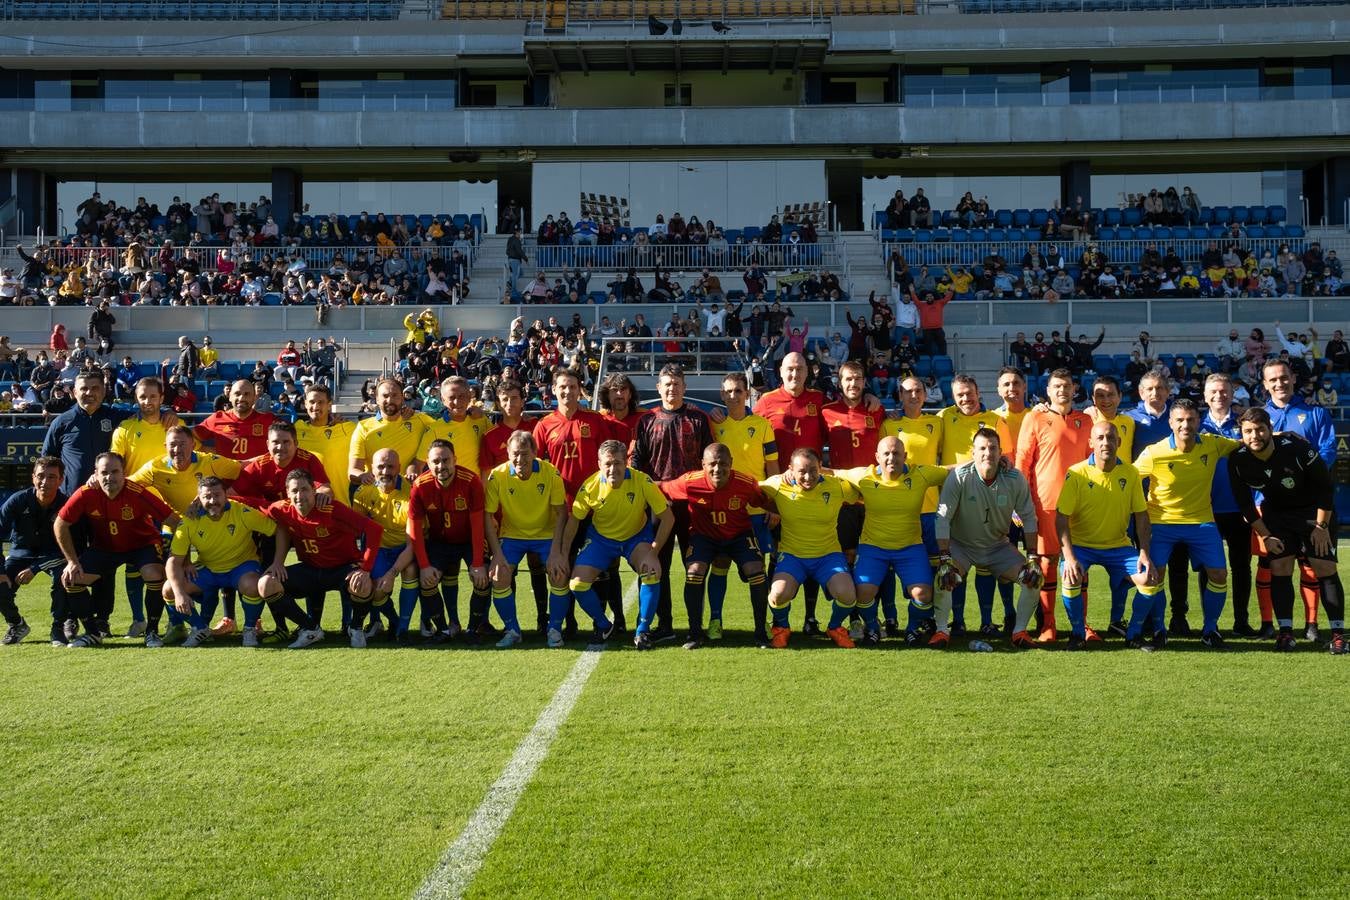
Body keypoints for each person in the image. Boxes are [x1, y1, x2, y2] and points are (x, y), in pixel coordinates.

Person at [1228, 408, 1345, 654]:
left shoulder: (1298, 448)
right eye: (1248, 431)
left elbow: (1326, 488)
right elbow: (1245, 504)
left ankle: (1337, 635)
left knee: (1323, 567)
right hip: (1277, 516)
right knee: (1279, 567)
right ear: (1242, 434)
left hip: (1314, 514)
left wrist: (1322, 527)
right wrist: (1265, 535)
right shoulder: (1237, 459)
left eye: (1260, 429)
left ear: (1270, 429)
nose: (1254, 435)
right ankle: (1285, 633)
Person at [1131, 399, 1240, 650]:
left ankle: (1210, 629)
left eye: (1190, 419)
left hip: (1201, 522)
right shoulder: (1154, 452)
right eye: (1179, 420)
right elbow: (1127, 477)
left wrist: (1280, 434)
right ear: (1170, 422)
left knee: (1219, 574)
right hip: (1161, 523)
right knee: (1153, 576)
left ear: (1198, 422)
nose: (1185, 425)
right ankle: (1159, 630)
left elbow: (1247, 442)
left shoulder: (1213, 444)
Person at [931, 428, 1042, 650]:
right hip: (961, 545)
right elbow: (942, 518)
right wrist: (945, 557)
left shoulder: (1014, 478)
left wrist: (1032, 556)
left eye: (992, 448)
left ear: (1001, 452)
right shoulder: (960, 476)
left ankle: (1019, 631)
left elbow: (1029, 518)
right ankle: (941, 631)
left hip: (997, 546)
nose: (987, 453)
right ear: (973, 452)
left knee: (1033, 578)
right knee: (944, 577)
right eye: (982, 448)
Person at [53, 452, 178, 648]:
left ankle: (151, 632)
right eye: (104, 472)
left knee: (154, 574)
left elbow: (173, 521)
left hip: (142, 546)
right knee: (71, 579)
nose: (109, 477)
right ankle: (92, 634)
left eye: (115, 472)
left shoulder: (138, 492)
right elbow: (60, 524)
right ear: (96, 473)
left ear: (124, 473)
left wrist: (180, 557)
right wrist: (72, 561)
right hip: (105, 549)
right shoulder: (86, 492)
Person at [833, 436, 948, 647]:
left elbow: (951, 470)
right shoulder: (863, 475)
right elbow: (831, 473)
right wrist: (791, 473)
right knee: (863, 592)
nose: (891, 458)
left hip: (910, 548)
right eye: (886, 453)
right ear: (877, 457)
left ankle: (912, 628)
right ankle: (873, 626)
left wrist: (984, 460)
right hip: (873, 548)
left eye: (896, 453)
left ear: (905, 456)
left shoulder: (920, 473)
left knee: (924, 595)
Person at [560, 440, 673, 650]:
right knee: (576, 584)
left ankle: (642, 631)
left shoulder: (642, 481)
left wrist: (653, 552)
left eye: (618, 463)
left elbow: (668, 518)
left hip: (635, 538)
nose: (613, 469)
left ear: (626, 462)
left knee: (652, 571)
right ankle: (604, 625)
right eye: (608, 464)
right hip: (602, 540)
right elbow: (574, 520)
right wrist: (564, 554)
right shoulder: (590, 487)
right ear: (599, 464)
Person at [1055, 421, 1158, 651]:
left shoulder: (1130, 472)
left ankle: (1134, 635)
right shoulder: (1077, 473)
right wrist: (1070, 558)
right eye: (1100, 438)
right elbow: (1061, 518)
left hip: (1118, 547)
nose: (1105, 443)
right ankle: (1077, 634)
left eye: (1111, 438)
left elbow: (1141, 516)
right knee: (1070, 576)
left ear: (1119, 442)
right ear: (1091, 442)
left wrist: (1144, 553)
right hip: (1082, 546)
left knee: (1150, 579)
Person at [631, 363, 713, 643]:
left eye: (676, 384)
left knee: (694, 567)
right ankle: (664, 624)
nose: (671, 389)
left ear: (684, 387)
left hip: (691, 506)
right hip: (658, 506)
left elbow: (709, 465)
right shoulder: (646, 421)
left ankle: (694, 627)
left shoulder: (699, 419)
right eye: (666, 384)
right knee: (657, 565)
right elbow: (636, 462)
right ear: (658, 388)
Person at [1257, 358, 1338, 641]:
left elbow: (1328, 451)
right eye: (1273, 380)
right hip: (1273, 507)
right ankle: (1279, 627)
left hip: (1311, 505)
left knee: (1316, 565)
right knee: (1275, 566)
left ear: (1293, 378)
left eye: (1284, 377)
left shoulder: (1315, 414)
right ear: (1265, 385)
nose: (1279, 383)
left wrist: (1304, 472)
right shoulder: (1258, 419)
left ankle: (1315, 624)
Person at [659, 444, 770, 649]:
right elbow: (661, 487)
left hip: (738, 535)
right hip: (704, 537)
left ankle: (761, 633)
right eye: (712, 464)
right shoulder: (689, 481)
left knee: (756, 572)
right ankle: (694, 633)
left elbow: (766, 500)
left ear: (731, 464)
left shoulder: (746, 483)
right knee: (694, 572)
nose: (718, 469)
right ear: (703, 465)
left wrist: (777, 510)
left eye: (723, 464)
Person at [258, 469, 381, 649]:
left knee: (363, 584)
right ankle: (310, 629)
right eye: (294, 491)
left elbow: (374, 530)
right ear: (287, 493)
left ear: (314, 490)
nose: (300, 495)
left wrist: (365, 569)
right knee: (265, 584)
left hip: (342, 569)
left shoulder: (332, 508)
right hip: (311, 569)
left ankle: (356, 628)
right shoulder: (281, 508)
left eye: (304, 489)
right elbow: (253, 504)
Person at [1015, 369, 1094, 644]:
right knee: (1047, 564)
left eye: (1067, 386)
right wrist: (1019, 502)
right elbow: (1023, 461)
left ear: (1075, 390)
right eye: (1056, 386)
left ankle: (1081, 625)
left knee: (1078, 564)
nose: (1062, 390)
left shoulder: (1086, 421)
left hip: (1080, 506)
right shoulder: (1035, 418)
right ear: (1048, 391)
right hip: (1045, 504)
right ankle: (1048, 625)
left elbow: (1092, 463)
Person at [758, 448, 861, 649]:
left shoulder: (836, 487)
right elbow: (751, 490)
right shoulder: (778, 484)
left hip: (828, 556)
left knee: (848, 595)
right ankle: (782, 628)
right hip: (793, 556)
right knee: (778, 594)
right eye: (801, 471)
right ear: (791, 470)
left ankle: (834, 627)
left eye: (813, 470)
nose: (808, 477)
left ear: (821, 468)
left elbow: (865, 493)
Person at [937, 374, 1012, 636]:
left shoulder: (995, 420)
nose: (965, 399)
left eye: (969, 393)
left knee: (986, 561)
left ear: (978, 392)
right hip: (954, 497)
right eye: (959, 395)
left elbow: (1007, 460)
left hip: (987, 499)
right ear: (953, 396)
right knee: (959, 562)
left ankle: (987, 620)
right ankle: (957, 620)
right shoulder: (943, 418)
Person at [163, 477, 277, 648]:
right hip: (209, 569)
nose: (212, 501)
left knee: (253, 585)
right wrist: (179, 593)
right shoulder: (189, 520)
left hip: (242, 566)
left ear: (226, 495)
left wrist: (278, 561)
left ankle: (249, 628)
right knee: (170, 589)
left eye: (217, 495)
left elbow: (277, 529)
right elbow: (173, 561)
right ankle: (200, 628)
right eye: (207, 496)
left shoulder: (242, 512)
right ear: (199, 498)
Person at [484, 431, 570, 649]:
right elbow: (487, 516)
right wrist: (497, 555)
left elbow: (562, 513)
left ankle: (554, 629)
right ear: (508, 453)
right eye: (515, 454)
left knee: (559, 574)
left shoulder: (550, 473)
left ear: (534, 453)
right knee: (498, 576)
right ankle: (512, 630)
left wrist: (557, 552)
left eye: (524, 453)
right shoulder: (498, 475)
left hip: (545, 535)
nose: (519, 459)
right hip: (512, 536)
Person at [708, 372, 779, 631]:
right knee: (720, 563)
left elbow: (772, 466)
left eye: (738, 391)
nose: (733, 396)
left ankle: (764, 623)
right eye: (728, 391)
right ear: (721, 394)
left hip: (756, 508)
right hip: (724, 509)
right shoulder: (714, 424)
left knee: (756, 568)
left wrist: (773, 504)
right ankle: (715, 620)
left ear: (747, 394)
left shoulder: (762, 425)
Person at [407, 440, 489, 643]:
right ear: (427, 463)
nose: (441, 466)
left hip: (469, 540)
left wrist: (478, 563)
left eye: (446, 460)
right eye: (435, 461)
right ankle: (443, 630)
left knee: (483, 578)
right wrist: (425, 566)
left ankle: (472, 629)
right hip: (439, 543)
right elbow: (415, 531)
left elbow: (478, 526)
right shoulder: (420, 486)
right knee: (427, 581)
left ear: (455, 460)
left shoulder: (471, 481)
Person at [1199, 373, 1254, 637]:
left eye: (1224, 391)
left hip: (1239, 509)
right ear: (1205, 395)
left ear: (1232, 394)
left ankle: (1241, 621)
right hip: (1206, 509)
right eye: (1214, 392)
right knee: (1207, 569)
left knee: (1241, 567)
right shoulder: (1196, 425)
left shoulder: (1245, 424)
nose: (1219, 396)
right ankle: (1211, 623)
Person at [891, 374, 945, 641]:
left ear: (925, 394)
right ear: (900, 395)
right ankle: (894, 617)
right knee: (900, 564)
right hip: (900, 508)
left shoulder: (938, 422)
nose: (914, 395)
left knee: (934, 567)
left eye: (918, 391)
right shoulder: (890, 425)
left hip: (930, 508)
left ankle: (931, 618)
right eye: (908, 391)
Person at [0, 457, 71, 646]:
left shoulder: (67, 505)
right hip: (20, 553)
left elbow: (74, 545)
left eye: (51, 477)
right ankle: (16, 624)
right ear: (33, 478)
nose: (45, 482)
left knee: (64, 576)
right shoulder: (17, 500)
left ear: (61, 480)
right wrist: (0, 572)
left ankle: (58, 628)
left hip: (53, 555)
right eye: (40, 476)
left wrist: (35, 568)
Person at [349, 448, 414, 642]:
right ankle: (390, 620)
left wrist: (392, 572)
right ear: (371, 469)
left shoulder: (411, 491)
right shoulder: (363, 492)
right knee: (376, 590)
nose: (385, 471)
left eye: (390, 467)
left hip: (406, 548)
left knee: (412, 573)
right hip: (379, 550)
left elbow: (415, 541)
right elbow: (357, 530)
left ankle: (405, 627)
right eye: (381, 467)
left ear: (399, 468)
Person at [418, 375, 490, 477]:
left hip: (475, 489)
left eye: (461, 396)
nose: (457, 402)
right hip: (447, 490)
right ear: (443, 400)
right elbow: (418, 463)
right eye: (451, 398)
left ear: (469, 397)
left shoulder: (481, 420)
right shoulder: (434, 429)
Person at [294, 383, 357, 501]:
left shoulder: (346, 429)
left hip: (339, 504)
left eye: (321, 402)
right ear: (306, 404)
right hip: (304, 505)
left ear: (329, 405)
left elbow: (373, 430)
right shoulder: (296, 429)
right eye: (312, 402)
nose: (316, 406)